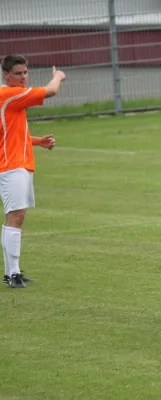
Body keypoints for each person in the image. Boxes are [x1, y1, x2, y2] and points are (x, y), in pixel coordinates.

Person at [1, 54, 64, 289]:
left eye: (26, 72)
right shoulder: (8, 94)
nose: (24, 77)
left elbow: (14, 133)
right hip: (11, 166)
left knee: (15, 217)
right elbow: (50, 91)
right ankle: (12, 274)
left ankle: (12, 272)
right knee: (15, 217)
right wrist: (57, 76)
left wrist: (38, 141)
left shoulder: (11, 98)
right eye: (18, 73)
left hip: (20, 164)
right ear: (6, 75)